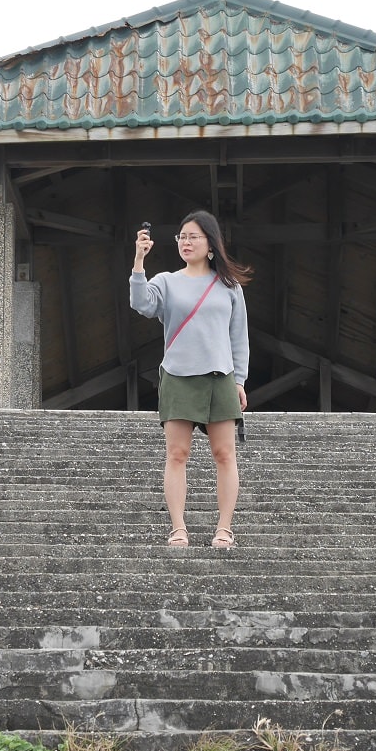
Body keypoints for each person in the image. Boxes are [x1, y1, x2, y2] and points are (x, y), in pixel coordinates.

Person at [130, 210, 252, 549]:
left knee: (225, 454)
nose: (186, 242)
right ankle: (178, 528)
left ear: (210, 244)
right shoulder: (167, 281)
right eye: (182, 237)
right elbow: (141, 303)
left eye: (193, 236)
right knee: (177, 454)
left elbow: (238, 336)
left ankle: (224, 529)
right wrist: (139, 262)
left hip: (220, 377)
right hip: (179, 376)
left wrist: (239, 380)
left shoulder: (229, 286)